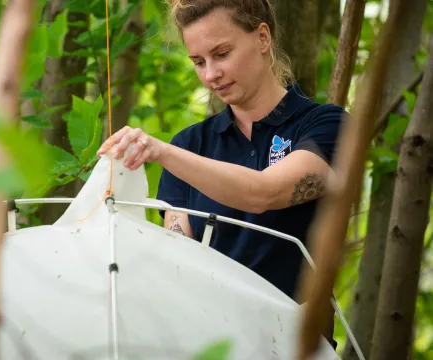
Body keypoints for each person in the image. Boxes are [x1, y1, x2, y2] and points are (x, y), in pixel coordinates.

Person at [97, 0, 345, 349]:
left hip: (298, 345)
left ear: (262, 38)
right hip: (212, 342)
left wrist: (163, 153)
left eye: (222, 53)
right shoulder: (189, 145)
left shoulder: (325, 124)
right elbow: (179, 257)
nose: (211, 74)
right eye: (198, 62)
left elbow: (265, 193)